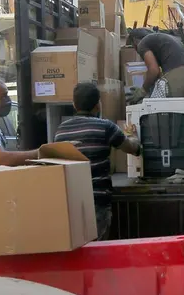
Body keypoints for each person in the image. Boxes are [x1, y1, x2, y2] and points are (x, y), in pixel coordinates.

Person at [54, 83, 142, 240]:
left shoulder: (61, 130)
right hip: (98, 201)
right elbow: (132, 148)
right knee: (98, 249)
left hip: (70, 202)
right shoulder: (105, 127)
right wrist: (133, 135)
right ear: (98, 105)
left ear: (74, 104)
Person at [128, 29, 184, 97]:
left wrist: (143, 90)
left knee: (153, 105)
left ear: (134, 41)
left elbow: (154, 71)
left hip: (178, 75)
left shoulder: (142, 44)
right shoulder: (162, 40)